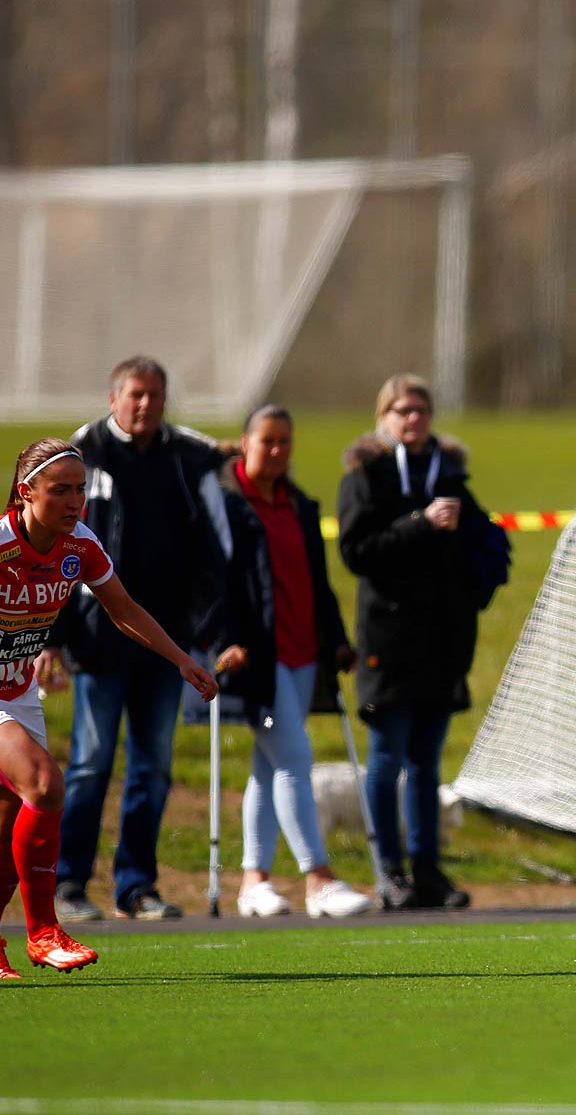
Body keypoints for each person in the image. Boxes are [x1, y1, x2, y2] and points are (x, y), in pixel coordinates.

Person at [0, 439, 219, 980]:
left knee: (12, 825)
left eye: (80, 489)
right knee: (45, 782)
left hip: (14, 695)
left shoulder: (80, 545)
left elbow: (122, 608)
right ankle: (43, 932)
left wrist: (180, 660)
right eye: (60, 490)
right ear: (25, 491)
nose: (75, 500)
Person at [38, 356, 229, 922]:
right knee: (91, 764)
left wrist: (199, 630)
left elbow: (213, 547)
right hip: (100, 640)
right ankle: (68, 885)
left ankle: (136, 887)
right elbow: (55, 546)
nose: (145, 405)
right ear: (114, 396)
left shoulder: (183, 456)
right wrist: (55, 639)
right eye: (135, 395)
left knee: (154, 767)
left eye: (155, 395)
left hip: (165, 645)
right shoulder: (83, 452)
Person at [337, 374, 511, 910]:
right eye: (402, 411)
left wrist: (472, 584)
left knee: (427, 761)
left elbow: (489, 547)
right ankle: (389, 872)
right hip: (388, 640)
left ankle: (428, 871)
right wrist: (419, 523)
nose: (412, 420)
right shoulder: (366, 475)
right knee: (387, 756)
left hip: (443, 641)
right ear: (383, 417)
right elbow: (356, 551)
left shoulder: (451, 475)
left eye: (420, 410)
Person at [209, 406, 374, 918]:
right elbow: (210, 582)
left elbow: (316, 581)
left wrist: (338, 641)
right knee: (295, 760)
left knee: (269, 767)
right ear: (245, 443)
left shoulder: (299, 504)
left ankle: (253, 882)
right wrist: (224, 639)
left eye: (285, 441)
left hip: (304, 653)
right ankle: (318, 879)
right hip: (256, 656)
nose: (277, 450)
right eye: (267, 441)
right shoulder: (223, 503)